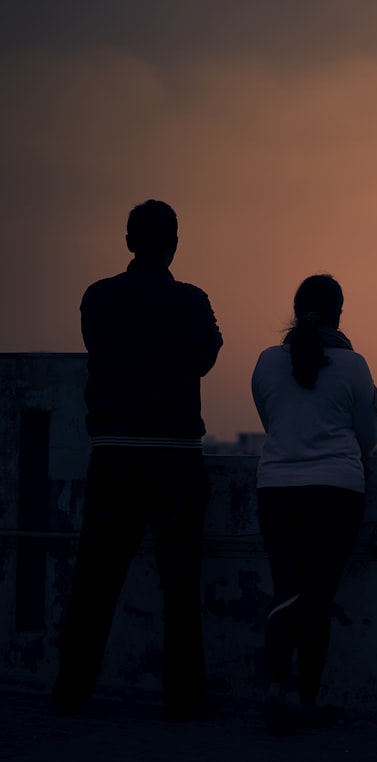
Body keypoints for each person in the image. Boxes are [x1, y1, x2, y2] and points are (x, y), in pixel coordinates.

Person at [52, 199, 223, 721]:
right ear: (175, 244)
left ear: (128, 242)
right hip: (175, 457)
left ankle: (71, 692)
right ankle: (184, 701)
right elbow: (206, 358)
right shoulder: (192, 301)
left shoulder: (97, 298)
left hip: (113, 455)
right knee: (181, 582)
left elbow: (97, 350)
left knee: (95, 581)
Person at [251, 274, 377, 734]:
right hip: (336, 490)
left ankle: (273, 688)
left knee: (286, 590)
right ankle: (307, 701)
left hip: (277, 489)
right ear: (339, 313)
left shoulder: (267, 362)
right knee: (317, 596)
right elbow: (366, 441)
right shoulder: (353, 366)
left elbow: (274, 422)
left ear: (295, 309)